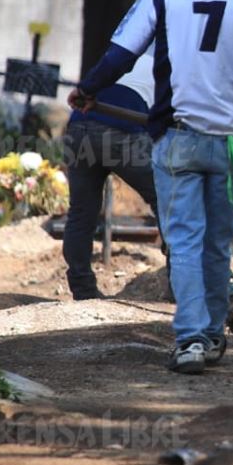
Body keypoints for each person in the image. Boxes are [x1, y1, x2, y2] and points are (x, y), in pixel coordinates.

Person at [69, 0, 233, 374]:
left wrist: (88, 90)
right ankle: (215, 333)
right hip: (230, 146)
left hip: (178, 139)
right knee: (219, 242)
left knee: (184, 241)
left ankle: (191, 341)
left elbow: (121, 55)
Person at [62, 49, 161, 301]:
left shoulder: (125, 56)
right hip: (122, 131)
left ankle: (83, 290)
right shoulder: (170, 62)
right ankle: (180, 286)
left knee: (81, 213)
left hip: (78, 127)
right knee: (167, 201)